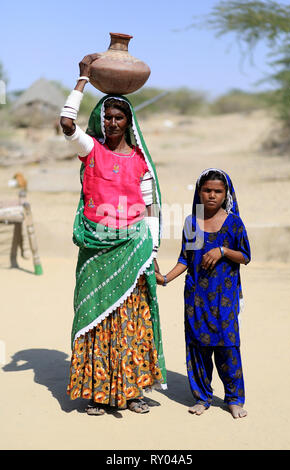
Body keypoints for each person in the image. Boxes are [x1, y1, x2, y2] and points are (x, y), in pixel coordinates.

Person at [60, 54, 167, 415]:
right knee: (94, 311)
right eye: (106, 117)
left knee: (132, 318)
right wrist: (82, 80)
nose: (111, 122)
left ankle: (133, 390)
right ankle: (97, 391)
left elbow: (150, 207)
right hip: (96, 244)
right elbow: (66, 123)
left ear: (128, 121)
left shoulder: (140, 161)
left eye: (118, 117)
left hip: (134, 245)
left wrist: (151, 250)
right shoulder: (92, 151)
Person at [156, 169, 251, 419]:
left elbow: (245, 256)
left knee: (228, 346)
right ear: (199, 192)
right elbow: (185, 259)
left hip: (225, 299)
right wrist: (165, 278)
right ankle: (202, 397)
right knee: (198, 347)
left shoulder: (233, 223)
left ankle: (234, 399)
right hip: (195, 298)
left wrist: (222, 250)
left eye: (217, 191)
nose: (211, 195)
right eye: (207, 190)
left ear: (225, 194)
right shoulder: (192, 221)